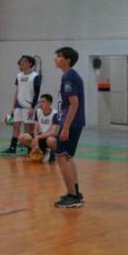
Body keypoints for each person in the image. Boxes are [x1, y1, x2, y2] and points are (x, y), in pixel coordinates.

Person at [50, 47, 85, 208]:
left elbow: (74, 103)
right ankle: (75, 193)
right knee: (67, 157)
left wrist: (65, 128)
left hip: (71, 123)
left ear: (67, 60)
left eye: (58, 56)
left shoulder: (69, 76)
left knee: (61, 156)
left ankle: (72, 196)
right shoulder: (70, 75)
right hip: (74, 122)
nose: (55, 59)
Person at [3, 55, 41, 156]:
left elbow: (37, 94)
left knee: (29, 128)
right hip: (18, 105)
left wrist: (32, 107)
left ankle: (31, 148)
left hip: (29, 106)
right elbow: (17, 91)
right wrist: (13, 107)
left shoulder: (35, 76)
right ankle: (12, 147)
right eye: (21, 61)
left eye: (24, 61)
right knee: (16, 126)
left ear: (30, 64)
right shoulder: (19, 76)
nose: (22, 63)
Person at [26, 94, 57, 164]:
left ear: (49, 103)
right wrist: (36, 143)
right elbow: (35, 129)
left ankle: (53, 153)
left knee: (51, 140)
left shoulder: (55, 114)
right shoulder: (38, 111)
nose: (40, 104)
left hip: (48, 136)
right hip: (40, 136)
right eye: (40, 102)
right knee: (22, 138)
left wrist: (38, 137)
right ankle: (38, 149)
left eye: (43, 101)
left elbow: (53, 132)